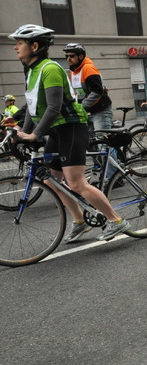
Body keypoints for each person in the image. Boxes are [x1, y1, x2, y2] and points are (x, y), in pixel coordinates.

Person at [9, 24, 129, 242]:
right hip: (57, 129)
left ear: (34, 46)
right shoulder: (31, 70)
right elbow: (33, 106)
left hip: (72, 126)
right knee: (51, 181)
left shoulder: (49, 68)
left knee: (76, 182)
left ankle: (116, 220)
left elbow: (54, 107)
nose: (15, 48)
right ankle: (80, 222)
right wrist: (21, 131)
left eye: (19, 43)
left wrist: (35, 135)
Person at [63, 43, 117, 179]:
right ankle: (103, 169)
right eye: (66, 56)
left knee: (103, 144)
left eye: (72, 56)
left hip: (100, 111)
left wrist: (82, 106)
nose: (68, 58)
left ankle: (115, 177)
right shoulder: (73, 72)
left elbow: (97, 90)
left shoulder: (88, 68)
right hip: (86, 113)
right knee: (88, 143)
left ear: (81, 56)